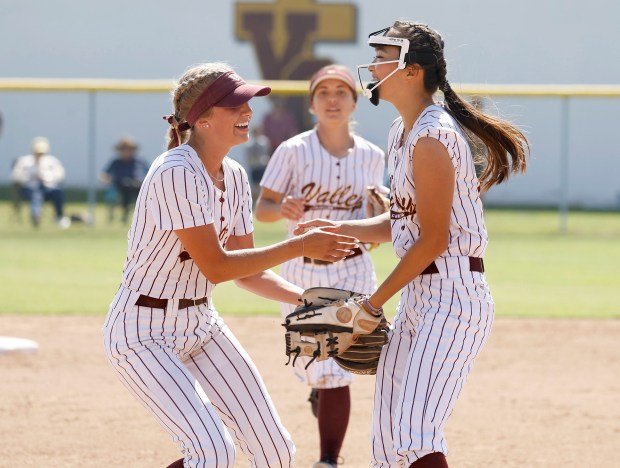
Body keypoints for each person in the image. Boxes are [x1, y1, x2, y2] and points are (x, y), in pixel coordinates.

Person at [101, 63, 359, 468]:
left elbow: (248, 273)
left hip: (201, 324)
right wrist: (300, 246)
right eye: (236, 105)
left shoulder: (235, 175)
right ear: (202, 119)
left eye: (248, 103)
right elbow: (218, 267)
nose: (248, 113)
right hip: (142, 331)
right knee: (212, 452)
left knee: (276, 452)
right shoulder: (176, 172)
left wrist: (308, 300)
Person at [296, 22, 528, 467]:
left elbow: (433, 240)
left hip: (453, 296)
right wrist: (342, 229)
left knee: (412, 434)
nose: (373, 66)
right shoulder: (402, 134)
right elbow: (404, 223)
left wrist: (371, 304)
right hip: (424, 295)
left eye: (384, 56)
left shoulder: (431, 136)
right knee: (386, 439)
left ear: (411, 70)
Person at [255, 64, 386, 468]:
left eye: (341, 92)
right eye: (323, 92)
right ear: (311, 104)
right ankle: (318, 389)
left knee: (339, 367)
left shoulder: (372, 155)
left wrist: (379, 212)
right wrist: (283, 209)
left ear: (354, 101)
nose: (332, 99)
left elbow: (377, 218)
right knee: (317, 367)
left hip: (354, 267)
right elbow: (263, 209)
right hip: (303, 269)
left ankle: (328, 459)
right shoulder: (292, 150)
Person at [11, 137, 70, 228]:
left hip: (48, 188)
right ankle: (36, 217)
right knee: (36, 195)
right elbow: (15, 176)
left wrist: (48, 178)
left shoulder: (52, 162)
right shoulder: (24, 161)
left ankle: (59, 217)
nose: (39, 155)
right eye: (37, 153)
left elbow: (61, 174)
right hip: (30, 188)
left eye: (42, 153)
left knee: (58, 194)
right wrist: (29, 177)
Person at [100, 136, 148, 223]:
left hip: (138, 185)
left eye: (128, 149)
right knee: (126, 188)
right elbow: (105, 174)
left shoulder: (140, 162)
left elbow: (148, 173)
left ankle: (142, 215)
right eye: (123, 149)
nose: (126, 151)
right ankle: (124, 215)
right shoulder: (116, 162)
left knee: (139, 190)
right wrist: (105, 179)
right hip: (121, 185)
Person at [244, 126, 271, 192]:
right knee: (255, 185)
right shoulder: (249, 144)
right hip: (254, 167)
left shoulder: (264, 141)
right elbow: (249, 157)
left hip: (262, 166)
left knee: (263, 184)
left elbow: (267, 152)